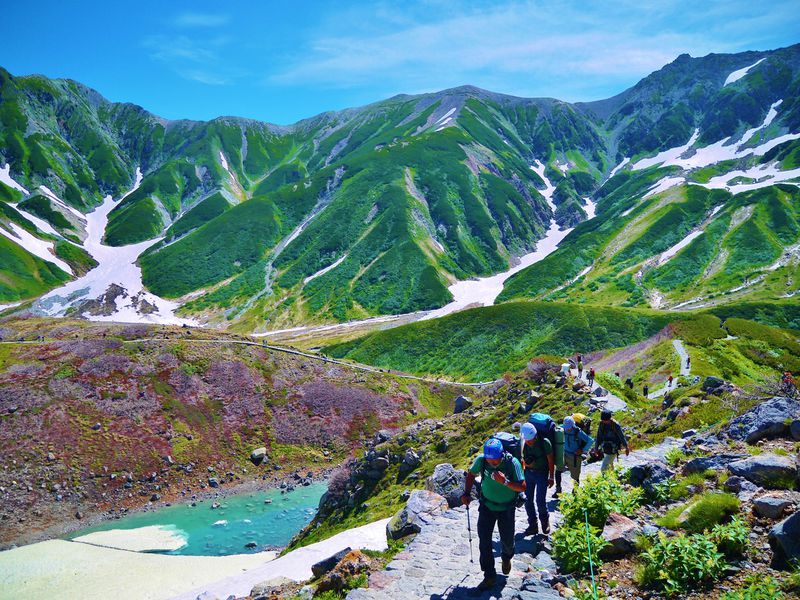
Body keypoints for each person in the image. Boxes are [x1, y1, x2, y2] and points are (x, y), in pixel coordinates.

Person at [462, 438, 525, 590]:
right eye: (490, 461)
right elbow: (471, 474)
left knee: (507, 541)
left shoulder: (512, 463)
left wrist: (505, 482)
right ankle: (489, 575)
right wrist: (466, 493)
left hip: (506, 508)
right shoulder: (482, 460)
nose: (493, 463)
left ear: (502, 454)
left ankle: (506, 558)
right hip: (487, 506)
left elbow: (522, 487)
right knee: (484, 542)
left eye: (495, 461)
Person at [520, 423, 554, 536]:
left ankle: (545, 522)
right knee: (527, 500)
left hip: (541, 473)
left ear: (535, 436)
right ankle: (533, 525)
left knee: (540, 500)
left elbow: (550, 460)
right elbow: (522, 460)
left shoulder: (544, 442)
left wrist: (551, 476)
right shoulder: (524, 443)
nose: (528, 443)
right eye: (527, 441)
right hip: (528, 474)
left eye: (530, 440)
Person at [561, 415, 594, 487]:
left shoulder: (578, 432)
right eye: (566, 428)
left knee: (575, 476)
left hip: (575, 456)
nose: (567, 429)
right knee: (558, 471)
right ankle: (558, 489)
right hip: (564, 453)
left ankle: (575, 491)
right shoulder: (561, 428)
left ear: (573, 425)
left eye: (569, 428)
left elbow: (590, 441)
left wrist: (582, 450)